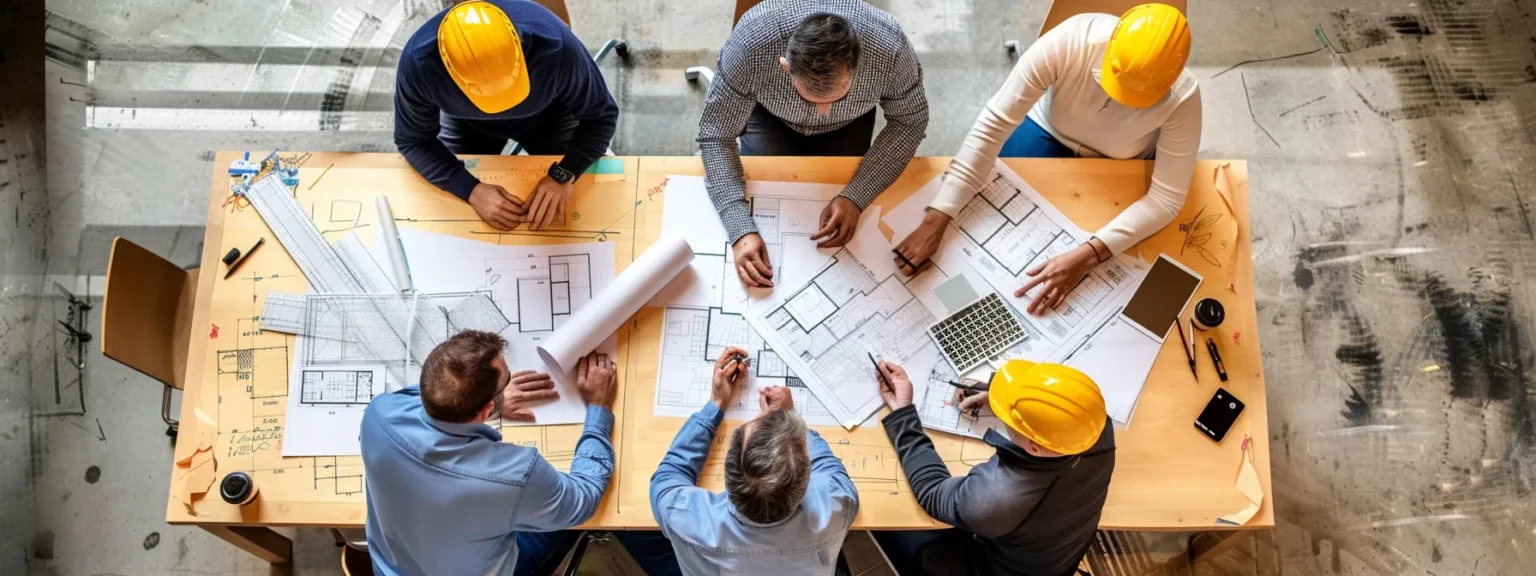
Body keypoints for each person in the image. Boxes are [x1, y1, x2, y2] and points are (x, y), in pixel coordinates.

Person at [893, 3, 1198, 315]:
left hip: (1118, 163)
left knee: (1125, 244)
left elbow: (1166, 200)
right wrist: (938, 216)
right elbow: (994, 124)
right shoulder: (1072, 40)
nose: (1122, 99)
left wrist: (1090, 254)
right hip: (1046, 129)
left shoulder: (1184, 96)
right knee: (991, 213)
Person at [698, 0, 929, 288]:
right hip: (771, 116)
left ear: (858, 66)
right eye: (809, 96)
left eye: (836, 96)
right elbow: (716, 133)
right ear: (785, 66)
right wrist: (739, 227)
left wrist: (857, 195)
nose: (822, 113)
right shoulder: (750, 44)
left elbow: (909, 121)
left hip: (850, 123)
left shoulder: (890, 47)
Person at [360, 330, 618, 575]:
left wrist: (492, 404)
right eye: (506, 380)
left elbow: (430, 402)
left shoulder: (379, 413)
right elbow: (583, 498)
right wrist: (599, 407)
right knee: (564, 515)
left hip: (390, 567)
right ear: (484, 410)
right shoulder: (515, 476)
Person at [871, 358, 1116, 576]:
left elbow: (932, 492)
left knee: (886, 516)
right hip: (1053, 555)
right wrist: (1003, 396)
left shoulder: (998, 499)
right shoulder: (1095, 423)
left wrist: (903, 413)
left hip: (993, 566)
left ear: (1033, 447)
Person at [394, 0, 619, 231]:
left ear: (519, 46)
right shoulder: (418, 66)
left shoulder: (556, 48)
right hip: (469, 126)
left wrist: (564, 173)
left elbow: (601, 117)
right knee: (447, 212)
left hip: (550, 118)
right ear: (448, 68)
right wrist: (470, 189)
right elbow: (413, 141)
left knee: (601, 194)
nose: (502, 108)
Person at [649, 347, 859, 575]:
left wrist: (716, 403)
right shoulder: (838, 506)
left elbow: (670, 473)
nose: (759, 415)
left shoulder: (683, 516)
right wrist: (789, 418)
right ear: (806, 481)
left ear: (728, 471)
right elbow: (830, 469)